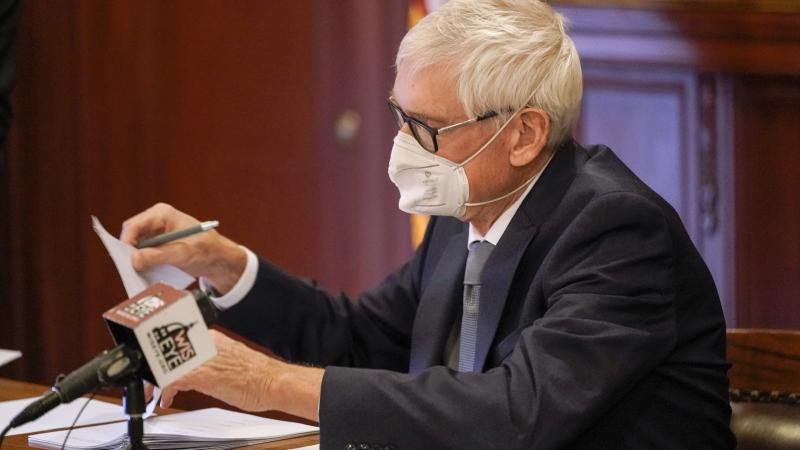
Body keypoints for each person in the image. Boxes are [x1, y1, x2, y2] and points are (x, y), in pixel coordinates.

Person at [121, 1, 735, 448]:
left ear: (524, 134)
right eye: (400, 116)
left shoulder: (617, 228)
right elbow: (362, 340)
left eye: (426, 128)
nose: (402, 146)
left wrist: (267, 383)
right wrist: (228, 267)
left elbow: (516, 413)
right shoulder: (466, 205)